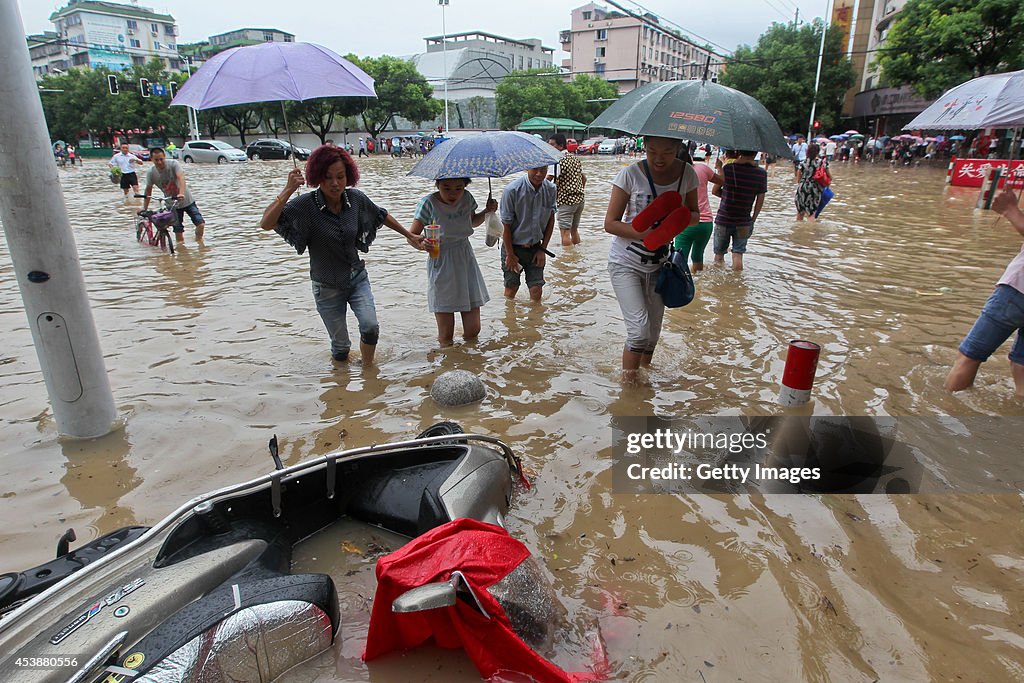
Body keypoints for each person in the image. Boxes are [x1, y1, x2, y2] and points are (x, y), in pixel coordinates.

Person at [260, 145, 424, 365]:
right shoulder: (305, 205)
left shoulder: (355, 199)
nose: (335, 183)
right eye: (328, 177)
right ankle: (341, 383)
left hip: (357, 278)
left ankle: (368, 373)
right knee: (340, 348)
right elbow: (266, 223)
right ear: (317, 177)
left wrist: (409, 235)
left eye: (340, 176)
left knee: (370, 327)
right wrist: (288, 190)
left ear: (349, 176)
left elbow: (381, 214)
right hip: (326, 286)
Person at [604, 136, 699, 382]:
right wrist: (641, 233)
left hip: (660, 263)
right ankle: (629, 385)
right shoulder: (630, 175)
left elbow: (695, 215)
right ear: (643, 147)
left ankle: (644, 378)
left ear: (678, 149)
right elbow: (610, 224)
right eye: (652, 151)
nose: (659, 158)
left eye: (667, 152)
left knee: (652, 335)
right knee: (638, 332)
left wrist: (672, 223)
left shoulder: (687, 174)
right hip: (625, 261)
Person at [944, 189, 1024, 397]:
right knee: (1021, 363)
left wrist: (1010, 210)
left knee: (968, 357)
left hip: (1018, 291)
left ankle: (944, 414)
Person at [411, 178, 497, 346]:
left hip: (465, 257)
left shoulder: (467, 198)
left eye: (459, 188)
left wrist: (487, 210)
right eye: (447, 188)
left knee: (473, 330)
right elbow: (412, 236)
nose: (453, 193)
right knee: (446, 334)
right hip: (441, 259)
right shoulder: (428, 203)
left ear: (465, 186)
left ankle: (467, 360)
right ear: (438, 185)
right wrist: (423, 245)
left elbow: (471, 221)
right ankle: (447, 363)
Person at [499, 166, 556, 301]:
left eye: (543, 170)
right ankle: (510, 319)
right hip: (513, 247)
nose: (539, 174)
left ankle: (535, 321)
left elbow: (550, 219)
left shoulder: (550, 189)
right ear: (527, 169)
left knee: (536, 291)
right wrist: (510, 255)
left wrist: (543, 249)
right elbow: (505, 227)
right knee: (511, 289)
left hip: (536, 247)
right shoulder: (512, 190)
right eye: (535, 170)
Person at [713, 150, 767, 271]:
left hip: (724, 219)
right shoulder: (761, 173)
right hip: (744, 221)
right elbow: (760, 198)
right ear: (755, 154)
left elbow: (714, 191)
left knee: (719, 255)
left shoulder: (728, 169)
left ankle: (718, 287)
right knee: (738, 254)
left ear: (739, 152)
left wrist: (719, 169)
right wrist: (754, 217)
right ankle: (737, 284)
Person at [143, 147, 205, 242]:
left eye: (161, 159)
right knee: (178, 231)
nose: (159, 162)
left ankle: (199, 243)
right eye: (156, 160)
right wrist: (145, 208)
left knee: (200, 224)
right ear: (151, 159)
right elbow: (148, 191)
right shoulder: (151, 173)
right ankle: (181, 251)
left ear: (165, 157)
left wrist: (181, 193)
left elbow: (181, 178)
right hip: (172, 205)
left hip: (187, 201)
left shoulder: (173, 164)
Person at [675, 147, 721, 272]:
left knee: (679, 260)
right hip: (705, 224)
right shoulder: (703, 168)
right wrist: (720, 168)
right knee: (697, 256)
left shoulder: (675, 176)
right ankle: (699, 287)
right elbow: (722, 181)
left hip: (685, 225)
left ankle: (683, 288)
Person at [547, 133, 587, 247]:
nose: (549, 147)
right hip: (580, 200)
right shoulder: (574, 159)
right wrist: (578, 191)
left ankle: (567, 261)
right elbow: (584, 178)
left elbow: (548, 180)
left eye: (552, 145)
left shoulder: (556, 161)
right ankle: (576, 257)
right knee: (574, 231)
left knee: (565, 233)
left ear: (560, 146)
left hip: (566, 201)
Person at [794, 142, 828, 222]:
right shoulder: (822, 163)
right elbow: (829, 176)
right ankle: (810, 232)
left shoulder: (802, 163)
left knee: (800, 213)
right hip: (815, 189)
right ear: (818, 152)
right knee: (811, 213)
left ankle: (799, 232)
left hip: (802, 188)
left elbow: (798, 179)